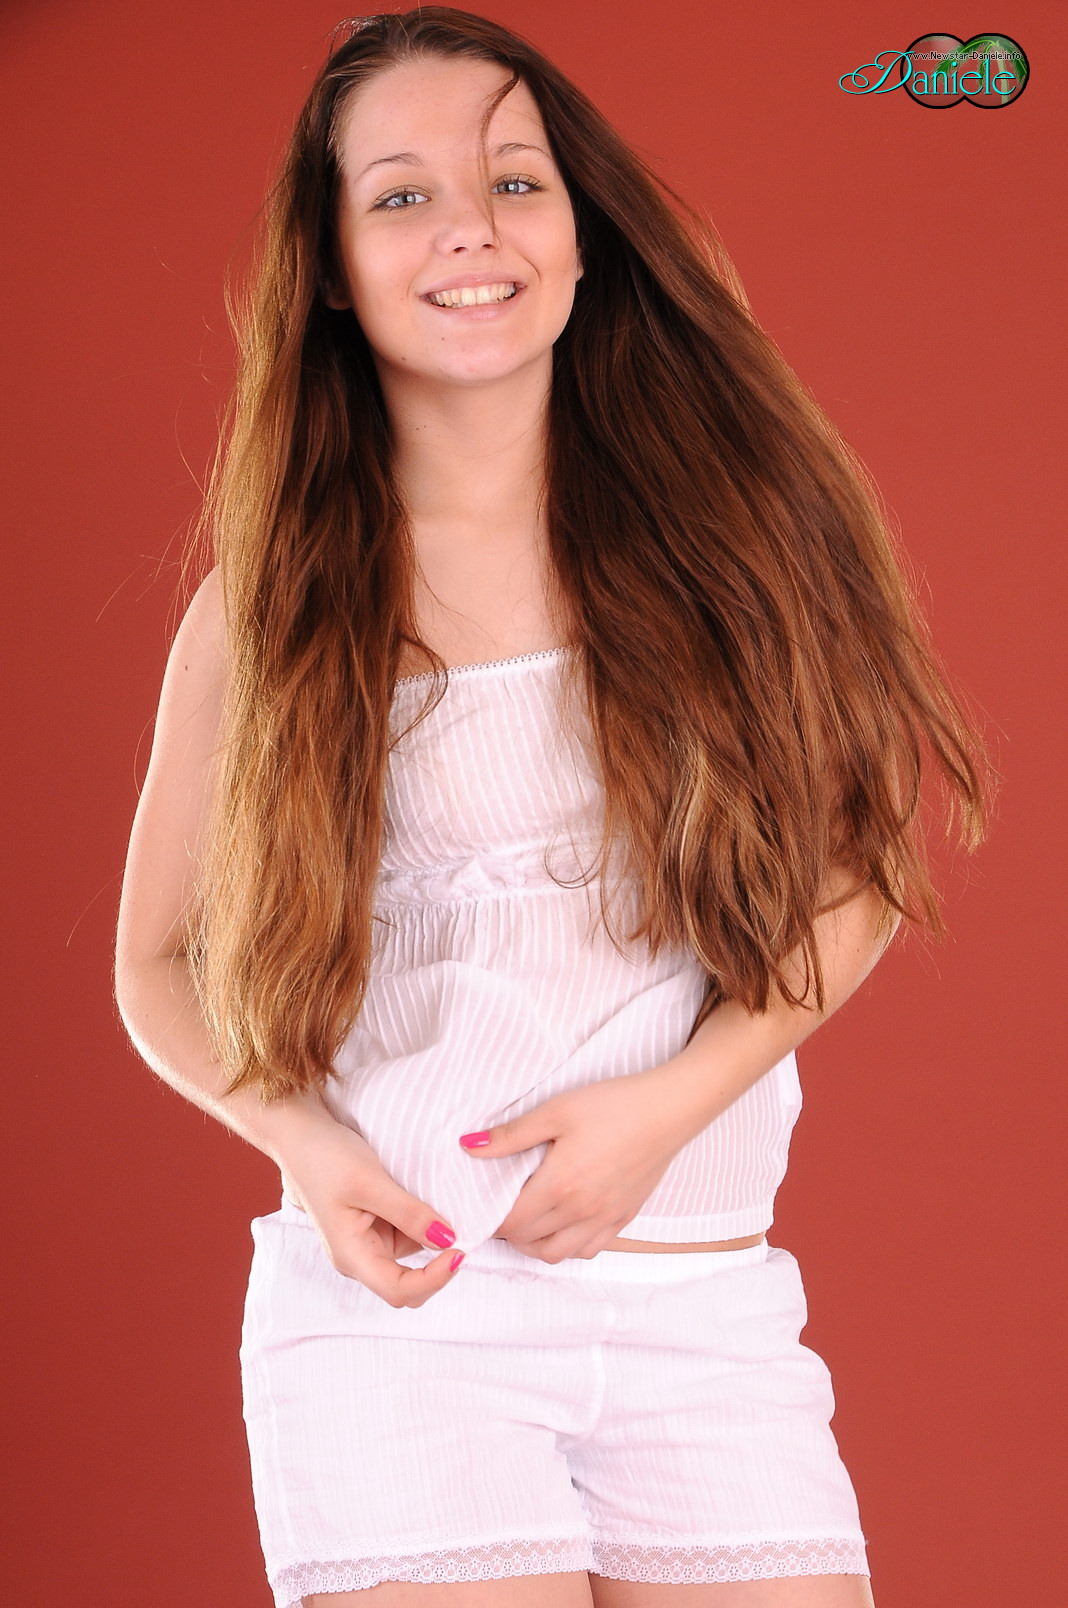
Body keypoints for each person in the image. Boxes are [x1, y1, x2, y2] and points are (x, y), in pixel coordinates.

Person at [113, 9, 994, 1608]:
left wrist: (669, 1109)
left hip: (707, 1311)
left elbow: (857, 871)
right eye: (401, 196)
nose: (468, 227)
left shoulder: (733, 543)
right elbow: (156, 961)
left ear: (583, 236)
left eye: (514, 181)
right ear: (333, 268)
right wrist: (305, 1146)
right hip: (404, 1328)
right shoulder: (271, 610)